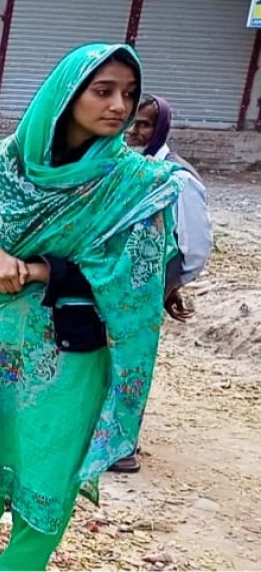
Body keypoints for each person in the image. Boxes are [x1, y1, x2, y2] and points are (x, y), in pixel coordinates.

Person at [0, 43, 185, 571]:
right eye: (104, 91)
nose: (120, 105)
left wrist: (35, 269)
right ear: (67, 93)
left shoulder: (135, 185)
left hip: (69, 360)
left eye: (129, 94)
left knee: (49, 474)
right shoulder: (8, 162)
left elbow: (134, 276)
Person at [104, 94, 212, 473]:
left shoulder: (178, 178)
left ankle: (120, 449)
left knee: (130, 364)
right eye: (132, 122)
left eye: (145, 124)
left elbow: (193, 247)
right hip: (114, 288)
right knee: (103, 361)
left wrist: (161, 286)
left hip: (142, 292)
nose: (134, 131)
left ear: (161, 127)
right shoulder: (130, 168)